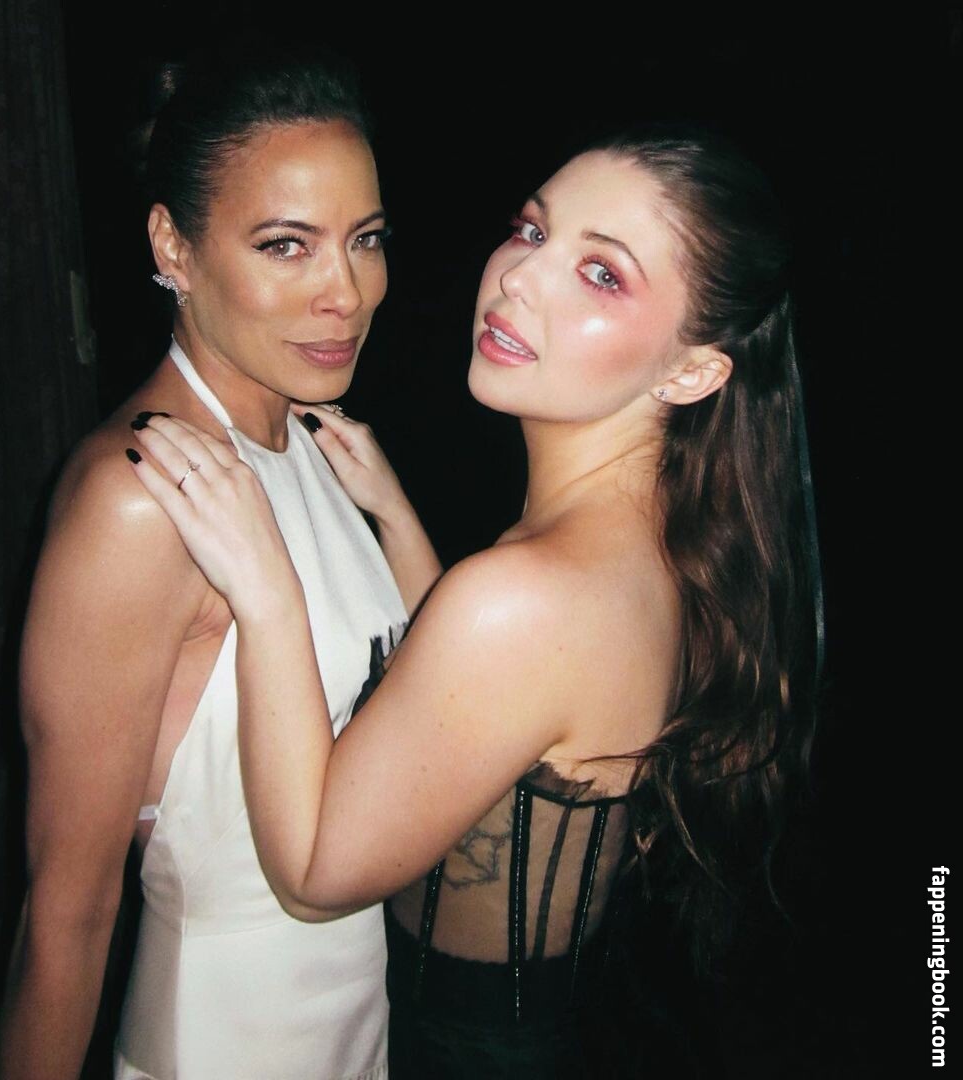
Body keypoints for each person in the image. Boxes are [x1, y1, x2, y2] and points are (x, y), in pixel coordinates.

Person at [128, 125, 820, 1077]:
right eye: (532, 231)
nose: (520, 278)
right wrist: (396, 518)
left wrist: (267, 587)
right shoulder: (651, 548)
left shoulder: (531, 593)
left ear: (692, 369)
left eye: (602, 274)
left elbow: (316, 875)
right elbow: (482, 713)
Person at [0, 44, 441, 1080]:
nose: (346, 293)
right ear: (175, 245)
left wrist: (397, 516)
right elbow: (66, 915)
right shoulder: (140, 499)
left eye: (366, 240)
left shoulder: (315, 443)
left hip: (357, 1036)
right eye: (287, 245)